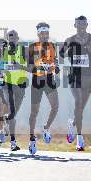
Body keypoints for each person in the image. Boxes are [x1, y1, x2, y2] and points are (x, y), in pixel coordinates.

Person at [59, 16, 91, 151]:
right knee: (78, 103)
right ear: (75, 26)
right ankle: (80, 140)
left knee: (80, 109)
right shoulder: (69, 40)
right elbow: (61, 56)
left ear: (87, 25)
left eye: (83, 25)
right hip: (74, 77)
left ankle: (73, 124)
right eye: (78, 25)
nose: (81, 28)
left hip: (88, 79)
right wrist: (68, 53)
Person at [27, 22, 60, 155]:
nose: (45, 35)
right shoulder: (32, 47)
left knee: (56, 106)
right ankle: (32, 139)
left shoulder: (52, 46)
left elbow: (55, 62)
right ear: (38, 34)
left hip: (49, 80)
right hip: (37, 81)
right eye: (42, 33)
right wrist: (39, 68)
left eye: (47, 33)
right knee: (34, 112)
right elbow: (29, 67)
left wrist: (57, 71)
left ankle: (46, 128)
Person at [2, 29, 28, 151]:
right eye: (9, 37)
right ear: (7, 39)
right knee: (12, 111)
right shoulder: (3, 50)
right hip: (7, 85)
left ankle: (6, 123)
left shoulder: (24, 50)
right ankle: (13, 142)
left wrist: (20, 66)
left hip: (20, 85)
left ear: (17, 38)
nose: (11, 39)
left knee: (13, 114)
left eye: (13, 37)